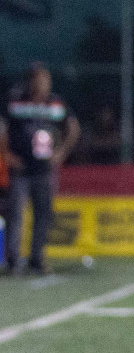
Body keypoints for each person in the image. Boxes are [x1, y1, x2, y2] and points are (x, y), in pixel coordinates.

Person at [3, 63, 79, 274]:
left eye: (46, 80)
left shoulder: (56, 103)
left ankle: (37, 258)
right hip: (21, 169)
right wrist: (6, 154)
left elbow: (73, 128)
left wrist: (62, 152)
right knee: (16, 214)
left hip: (44, 170)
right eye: (40, 80)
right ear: (31, 81)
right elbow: (2, 128)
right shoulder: (16, 101)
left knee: (43, 215)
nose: (44, 84)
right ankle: (13, 261)